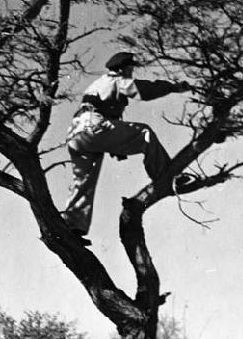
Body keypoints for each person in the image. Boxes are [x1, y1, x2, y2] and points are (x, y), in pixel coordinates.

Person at [62, 51, 195, 245]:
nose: (132, 72)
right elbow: (143, 90)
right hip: (93, 126)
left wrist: (116, 144)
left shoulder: (99, 83)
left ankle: (72, 227)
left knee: (84, 181)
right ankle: (166, 176)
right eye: (131, 68)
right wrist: (173, 87)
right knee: (144, 134)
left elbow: (107, 114)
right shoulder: (117, 79)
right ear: (123, 68)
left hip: (76, 133)